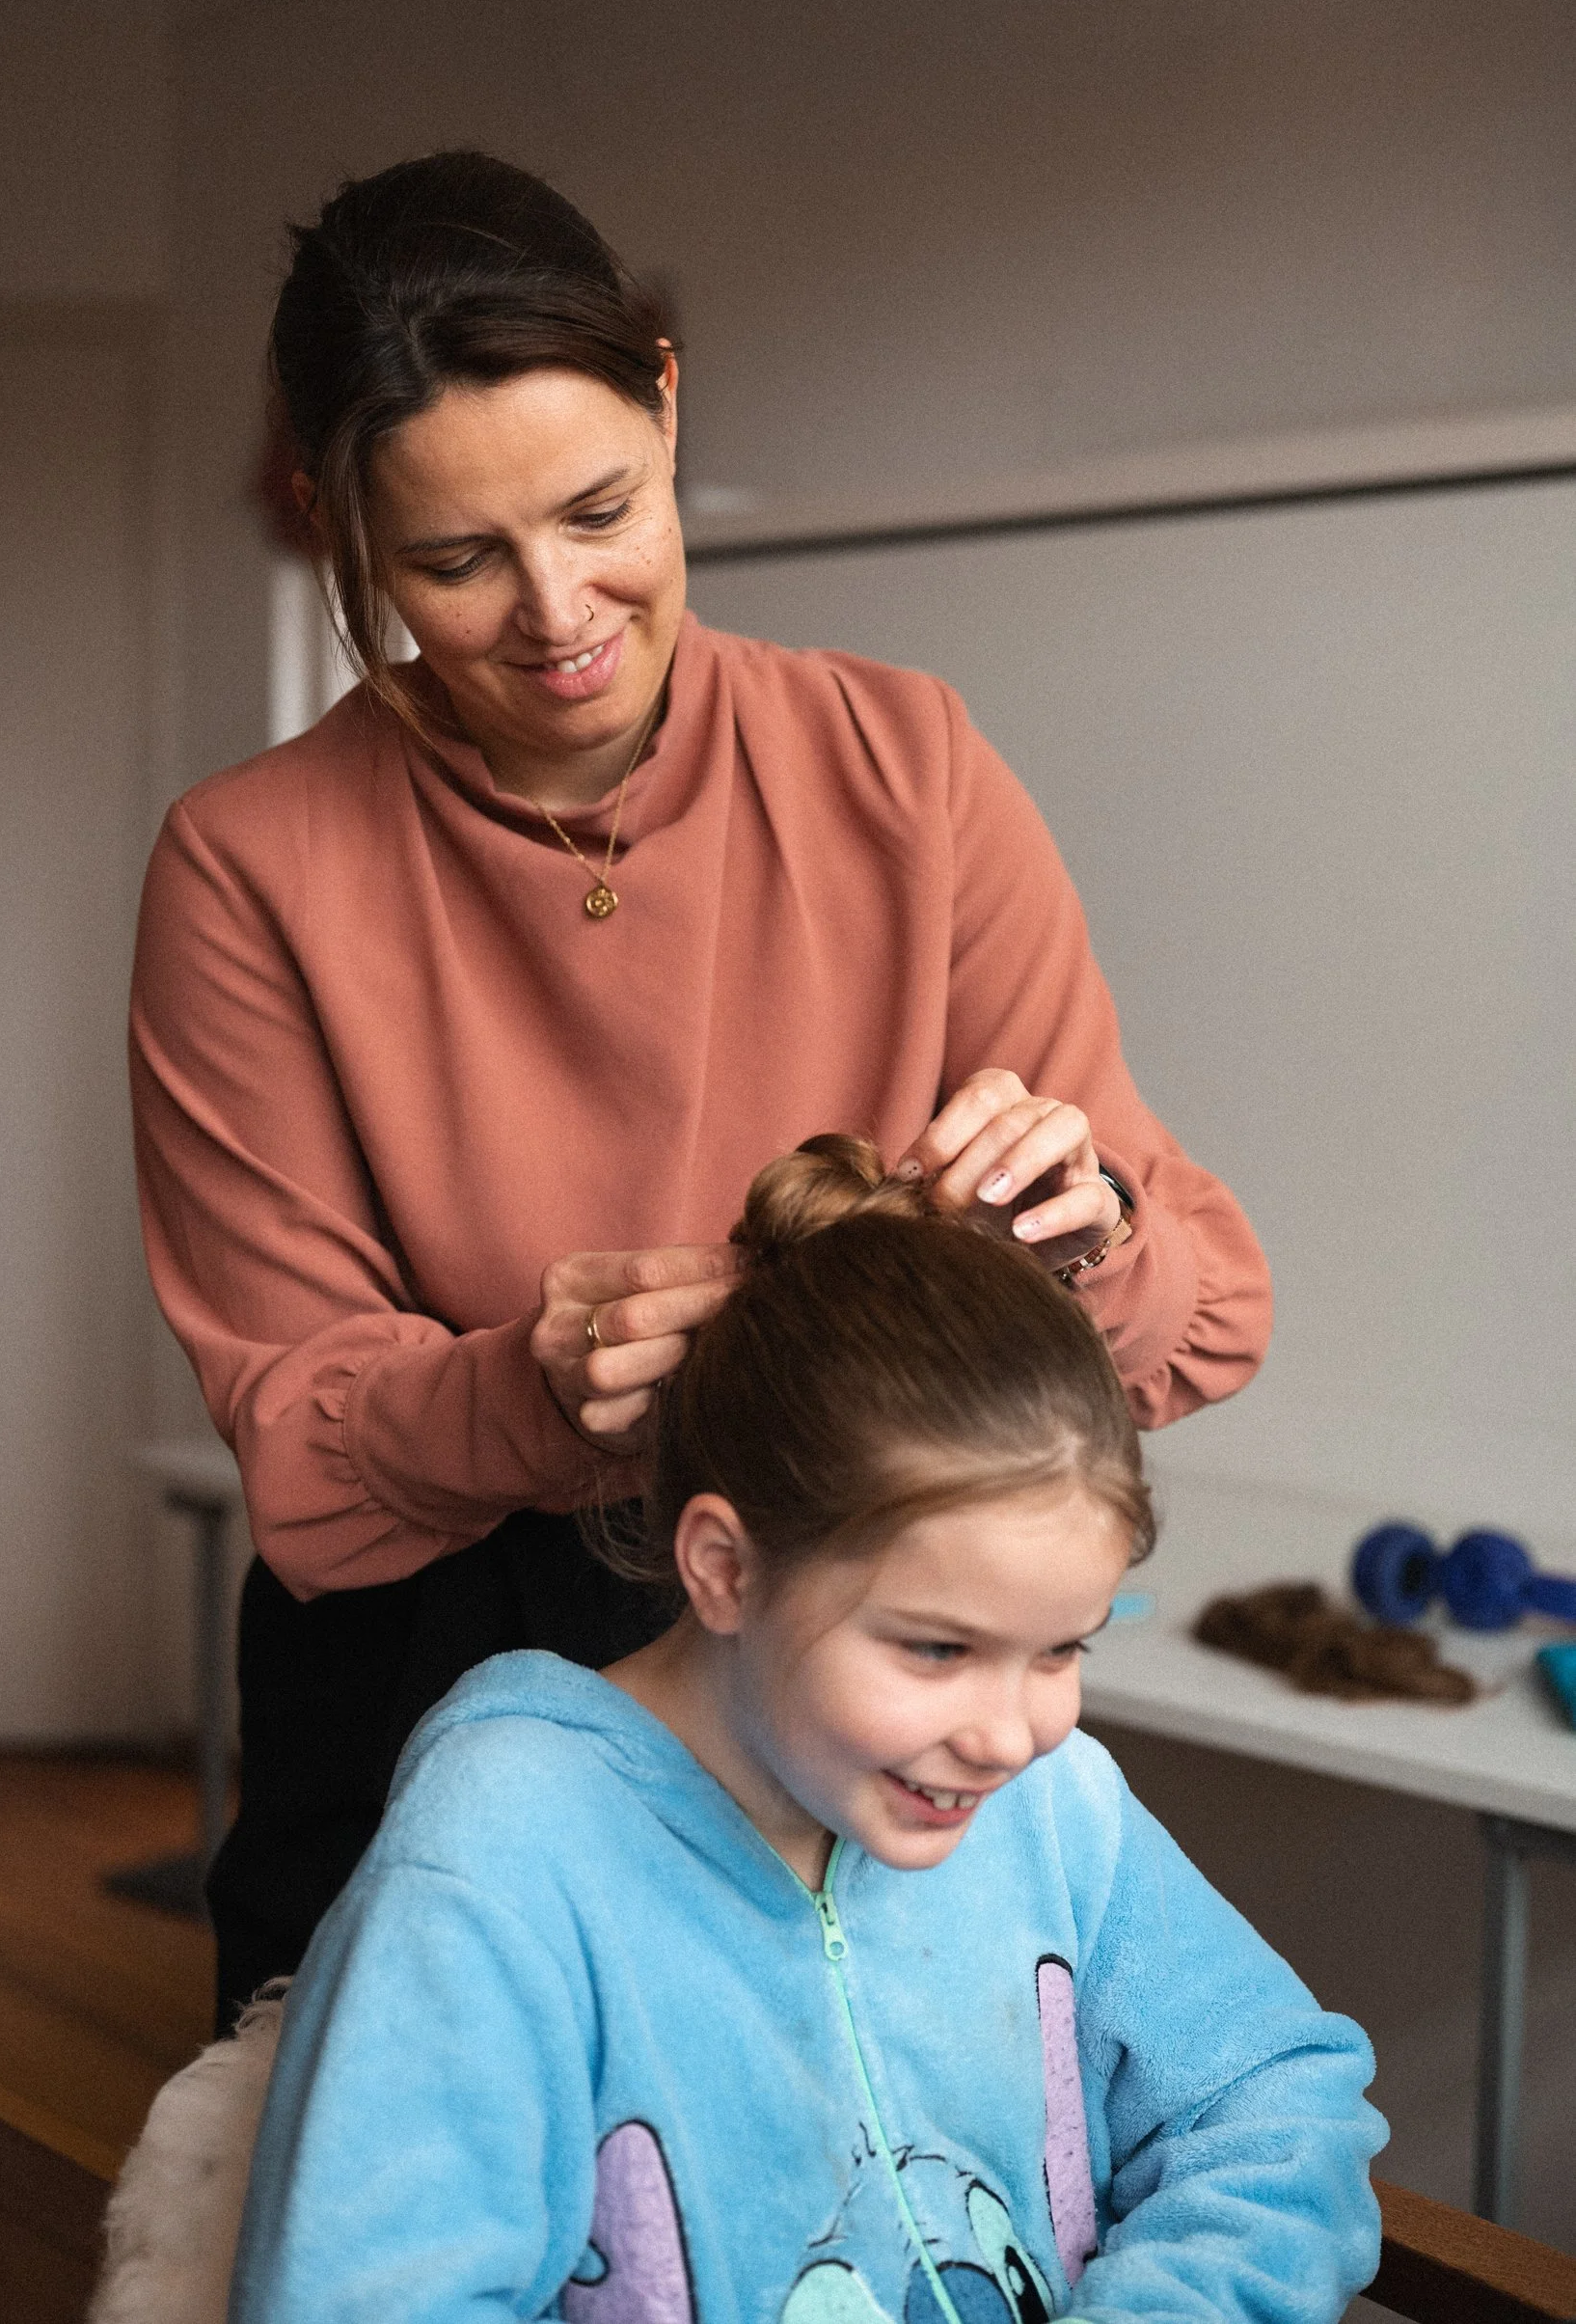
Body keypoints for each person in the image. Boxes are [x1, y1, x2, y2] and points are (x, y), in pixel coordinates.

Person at [129, 151, 1274, 2027]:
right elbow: (306, 1456)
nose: (555, 610)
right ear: (336, 528)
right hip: (431, 1687)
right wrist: (523, 1384)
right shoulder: (249, 866)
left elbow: (1196, 1311)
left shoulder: (902, 765)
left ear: (664, 395)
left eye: (601, 508)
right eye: (449, 560)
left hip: (853, 1678)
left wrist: (1083, 1234)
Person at [229, 1138, 1381, 2324]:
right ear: (723, 1568)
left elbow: (1273, 2105)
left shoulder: (1055, 1808)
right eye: (936, 1648)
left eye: (1060, 1647)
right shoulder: (502, 1851)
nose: (1008, 1734)